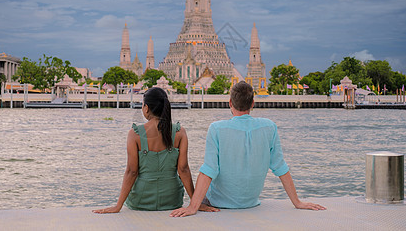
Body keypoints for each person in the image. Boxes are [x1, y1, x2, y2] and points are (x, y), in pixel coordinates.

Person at [170, 81, 326, 217]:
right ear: (252, 103)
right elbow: (280, 168)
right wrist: (297, 202)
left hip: (218, 202)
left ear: (230, 103)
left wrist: (193, 207)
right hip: (250, 201)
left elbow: (209, 171)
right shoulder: (269, 127)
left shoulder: (217, 128)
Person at [93, 87, 217, 214]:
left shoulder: (135, 134)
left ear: (146, 108)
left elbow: (132, 171)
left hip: (141, 201)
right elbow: (183, 169)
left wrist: (118, 206)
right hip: (172, 200)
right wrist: (195, 203)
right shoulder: (179, 132)